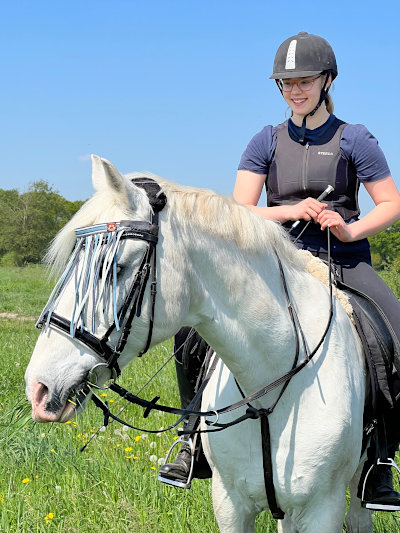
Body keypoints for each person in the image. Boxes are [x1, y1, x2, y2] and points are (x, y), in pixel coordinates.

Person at [159, 31, 400, 511]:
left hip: (341, 259)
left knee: (394, 330)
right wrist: (293, 209)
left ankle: (378, 461)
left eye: (305, 81)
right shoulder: (264, 141)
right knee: (191, 332)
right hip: (276, 261)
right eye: (286, 83)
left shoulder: (356, 138)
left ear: (327, 80)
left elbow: (390, 203)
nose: (295, 89)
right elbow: (241, 208)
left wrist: (350, 230)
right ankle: (191, 439)